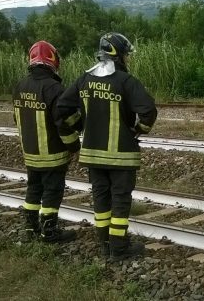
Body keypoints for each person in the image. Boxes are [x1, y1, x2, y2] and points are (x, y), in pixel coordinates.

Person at [57, 32, 157, 261]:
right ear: (119, 55)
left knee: (101, 201)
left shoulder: (84, 79)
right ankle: (119, 250)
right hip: (121, 156)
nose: (127, 59)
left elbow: (62, 110)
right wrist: (138, 130)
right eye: (126, 55)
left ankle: (105, 245)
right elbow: (148, 111)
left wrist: (80, 125)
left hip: (93, 155)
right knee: (120, 202)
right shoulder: (126, 82)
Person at [12, 40, 78, 243]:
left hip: (30, 153)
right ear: (53, 60)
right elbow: (63, 124)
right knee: (52, 191)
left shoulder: (20, 86)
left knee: (33, 188)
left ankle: (31, 228)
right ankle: (49, 232)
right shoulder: (54, 88)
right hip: (53, 154)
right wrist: (74, 145)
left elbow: (17, 119)